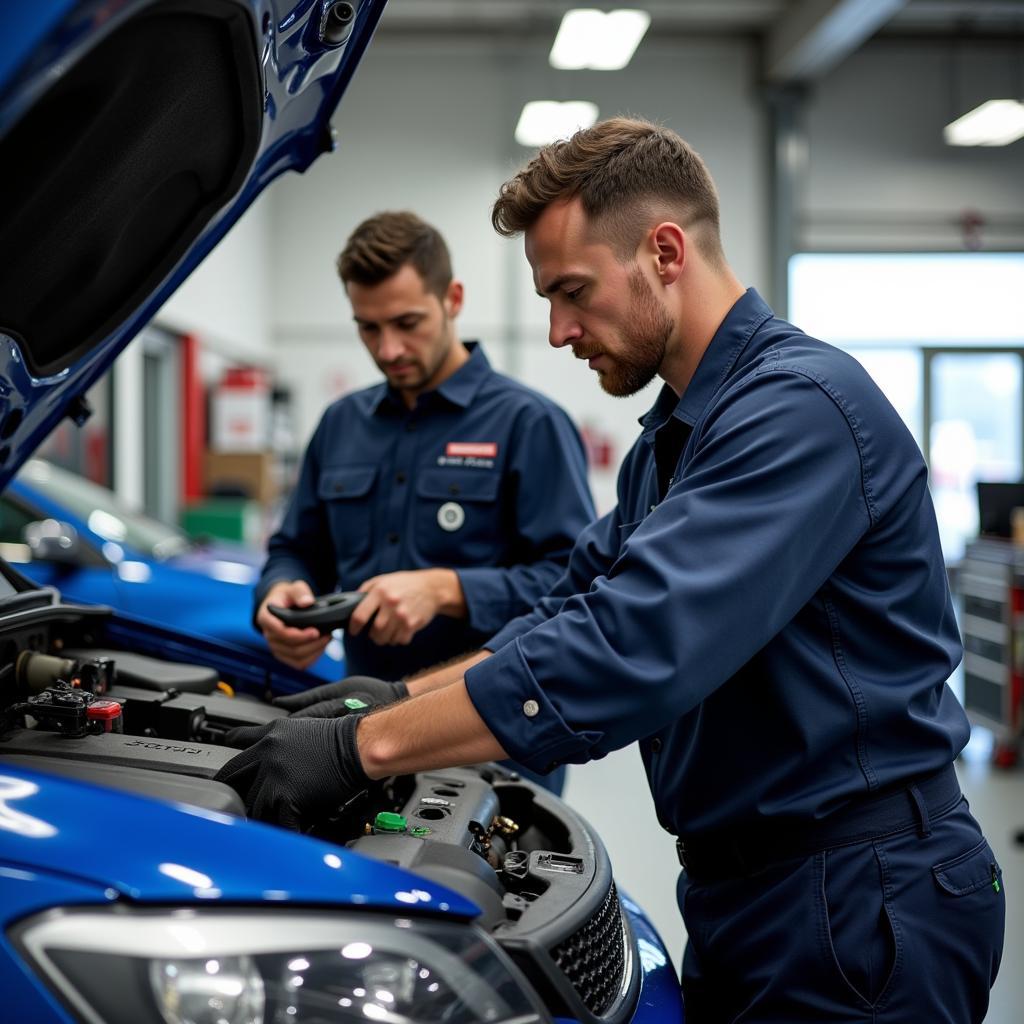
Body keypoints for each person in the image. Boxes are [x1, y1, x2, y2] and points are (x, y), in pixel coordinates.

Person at [220, 119, 1004, 1021]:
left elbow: (631, 644)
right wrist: (391, 702)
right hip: (747, 890)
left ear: (664, 251)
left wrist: (361, 749)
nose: (557, 331)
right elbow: (565, 608)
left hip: (859, 898)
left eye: (573, 293)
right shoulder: (669, 445)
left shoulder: (799, 412)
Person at [254, 211, 595, 793]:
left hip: (491, 736)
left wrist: (446, 590)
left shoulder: (528, 424)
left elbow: (575, 589)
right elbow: (294, 547)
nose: (389, 349)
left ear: (452, 299)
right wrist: (278, 592)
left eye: (407, 323)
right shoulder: (341, 425)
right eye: (368, 328)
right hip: (357, 730)